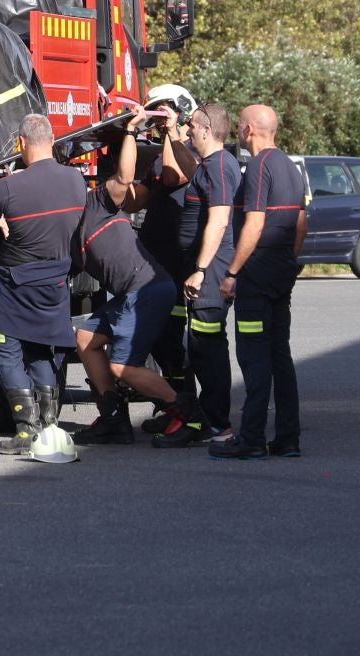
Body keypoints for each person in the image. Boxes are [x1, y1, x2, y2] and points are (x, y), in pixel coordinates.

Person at [0, 113, 81, 456]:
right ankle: (48, 425)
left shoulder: (7, 188)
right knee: (41, 349)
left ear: (21, 143)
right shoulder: (75, 180)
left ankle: (25, 430)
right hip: (55, 282)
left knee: (5, 350)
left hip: (14, 285)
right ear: (52, 141)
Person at [70, 132, 184, 446]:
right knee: (85, 339)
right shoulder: (69, 235)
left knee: (123, 367)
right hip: (129, 296)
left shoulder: (97, 202)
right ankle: (114, 420)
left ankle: (189, 415)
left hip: (148, 289)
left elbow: (124, 177)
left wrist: (131, 133)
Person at [213, 104, 309, 461]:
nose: (238, 130)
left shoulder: (258, 166)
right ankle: (288, 438)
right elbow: (301, 223)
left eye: (240, 125)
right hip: (281, 272)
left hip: (255, 277)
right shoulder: (291, 167)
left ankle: (252, 438)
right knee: (279, 354)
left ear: (249, 129)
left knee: (254, 357)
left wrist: (232, 272)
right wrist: (288, 260)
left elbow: (254, 224)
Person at [160, 101, 241, 446]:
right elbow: (193, 170)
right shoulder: (209, 165)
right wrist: (171, 134)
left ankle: (217, 425)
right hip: (199, 269)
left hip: (210, 270)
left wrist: (201, 270)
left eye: (191, 125)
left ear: (207, 130)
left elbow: (220, 220)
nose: (188, 129)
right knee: (194, 346)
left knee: (207, 349)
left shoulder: (220, 166)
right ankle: (198, 419)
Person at [129, 86, 196, 436]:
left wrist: (171, 132)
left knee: (173, 338)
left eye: (163, 112)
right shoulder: (158, 156)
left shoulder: (189, 152)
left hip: (177, 264)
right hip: (155, 264)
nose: (157, 122)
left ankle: (189, 409)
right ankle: (170, 406)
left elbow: (173, 177)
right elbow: (135, 200)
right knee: (158, 338)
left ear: (182, 112)